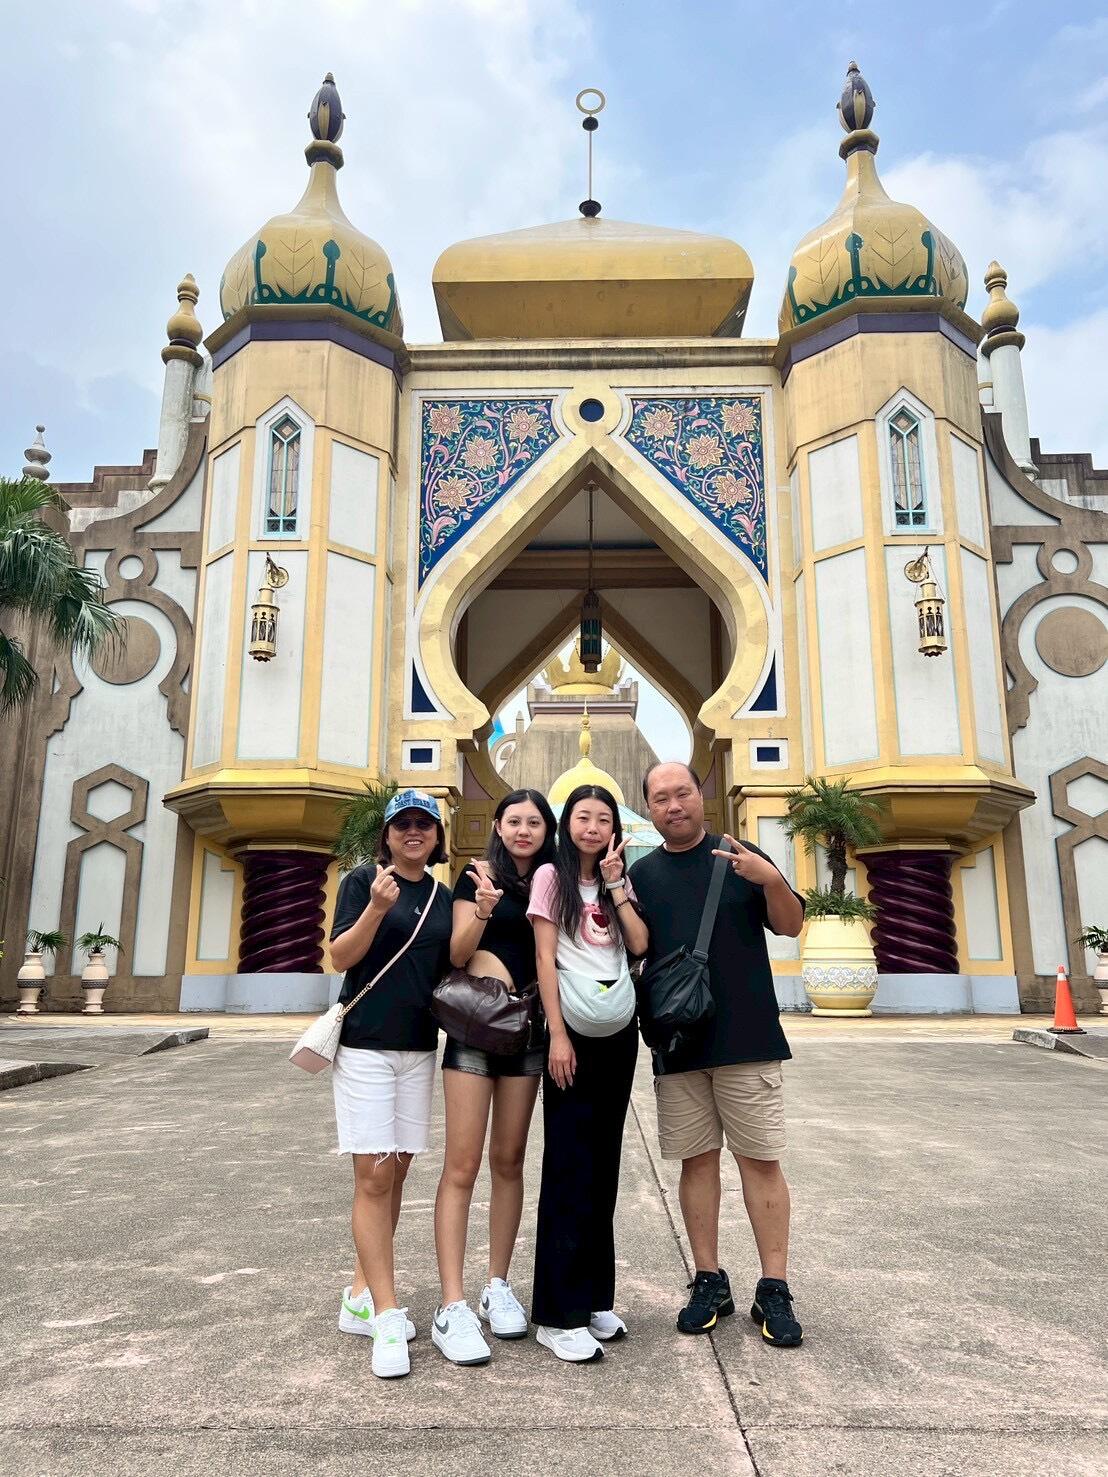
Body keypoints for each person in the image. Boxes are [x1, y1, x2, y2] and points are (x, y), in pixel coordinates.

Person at [629, 761, 806, 1348]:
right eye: (661, 798)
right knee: (696, 1162)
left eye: (682, 793)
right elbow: (636, 947)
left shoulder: (739, 857)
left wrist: (770, 879)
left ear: (699, 795)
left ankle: (774, 1286)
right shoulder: (642, 875)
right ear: (649, 808)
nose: (673, 806)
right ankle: (709, 1279)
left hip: (746, 1039)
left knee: (760, 1162)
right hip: (679, 1044)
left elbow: (790, 926)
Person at [431, 789, 558, 1366]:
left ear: (547, 830)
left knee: (509, 1160)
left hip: (528, 1032)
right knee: (462, 1164)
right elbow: (458, 955)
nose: (524, 830)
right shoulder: (476, 876)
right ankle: (452, 1303)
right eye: (514, 821)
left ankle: (497, 1284)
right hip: (476, 1025)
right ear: (499, 827)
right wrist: (483, 908)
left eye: (534, 822)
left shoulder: (555, 883)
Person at [329, 789, 453, 1380]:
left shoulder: (443, 898)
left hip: (419, 1048)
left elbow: (453, 963)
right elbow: (339, 956)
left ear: (437, 836)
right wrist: (377, 909)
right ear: (387, 834)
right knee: (373, 1173)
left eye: (424, 824)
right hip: (366, 1047)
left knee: (398, 1170)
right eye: (402, 824)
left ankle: (359, 1293)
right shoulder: (364, 882)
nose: (413, 833)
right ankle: (384, 1311)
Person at [526, 784, 650, 1363]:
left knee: (604, 1164)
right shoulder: (550, 877)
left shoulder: (617, 879)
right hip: (570, 1031)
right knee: (568, 1164)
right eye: (583, 817)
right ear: (566, 823)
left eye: (604, 818)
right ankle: (557, 1313)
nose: (593, 827)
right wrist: (556, 1034)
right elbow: (544, 958)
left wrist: (618, 883)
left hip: (618, 1030)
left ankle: (595, 1296)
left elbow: (640, 943)